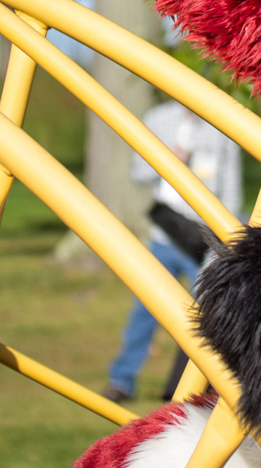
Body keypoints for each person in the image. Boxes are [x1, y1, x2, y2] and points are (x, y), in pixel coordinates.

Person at [103, 100, 241, 403]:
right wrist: (165, 160)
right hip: (164, 234)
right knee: (145, 310)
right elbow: (137, 172)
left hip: (203, 239)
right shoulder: (158, 117)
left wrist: (226, 239)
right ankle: (121, 381)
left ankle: (188, 389)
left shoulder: (221, 127)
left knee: (203, 314)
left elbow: (231, 188)